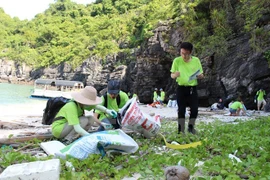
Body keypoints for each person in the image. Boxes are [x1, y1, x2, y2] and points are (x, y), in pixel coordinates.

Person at [51, 86, 117, 144]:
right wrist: (91, 137)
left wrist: (107, 111)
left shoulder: (82, 105)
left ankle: (79, 137)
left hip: (67, 127)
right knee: (83, 120)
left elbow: (96, 107)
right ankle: (67, 140)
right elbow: (77, 128)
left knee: (91, 118)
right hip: (58, 130)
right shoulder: (71, 106)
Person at [170, 42, 204, 134]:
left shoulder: (196, 60)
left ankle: (191, 127)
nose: (184, 56)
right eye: (182, 53)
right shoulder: (177, 61)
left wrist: (200, 76)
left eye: (186, 54)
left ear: (190, 52)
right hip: (181, 88)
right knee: (181, 110)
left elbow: (201, 74)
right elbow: (172, 75)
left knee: (194, 109)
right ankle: (181, 130)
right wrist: (175, 75)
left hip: (192, 88)